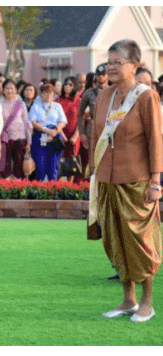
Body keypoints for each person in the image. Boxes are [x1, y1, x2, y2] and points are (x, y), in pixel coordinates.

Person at [90, 39, 162, 323]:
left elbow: (155, 140)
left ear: (135, 65)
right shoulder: (104, 96)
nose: (111, 68)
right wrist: (93, 173)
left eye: (117, 63)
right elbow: (96, 137)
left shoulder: (146, 96)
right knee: (115, 239)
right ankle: (128, 299)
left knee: (140, 242)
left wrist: (155, 182)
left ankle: (147, 301)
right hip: (106, 178)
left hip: (137, 180)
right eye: (109, 63)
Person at [29, 83, 67, 181]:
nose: (48, 95)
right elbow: (33, 122)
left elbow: (63, 121)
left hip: (55, 137)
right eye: (45, 92)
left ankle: (53, 191)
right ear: (41, 94)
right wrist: (46, 130)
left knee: (53, 167)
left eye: (50, 93)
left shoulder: (57, 106)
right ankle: (39, 192)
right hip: (40, 135)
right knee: (40, 167)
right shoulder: (36, 106)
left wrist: (55, 131)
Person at [78, 64, 109, 179]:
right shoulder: (89, 93)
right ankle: (92, 188)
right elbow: (80, 113)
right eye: (98, 75)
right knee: (93, 161)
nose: (101, 77)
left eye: (103, 74)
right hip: (92, 128)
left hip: (108, 128)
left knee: (108, 159)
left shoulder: (114, 91)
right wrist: (82, 133)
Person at [0, 79, 32, 179]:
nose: (9, 90)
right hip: (6, 138)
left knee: (19, 165)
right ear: (3, 90)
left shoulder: (20, 104)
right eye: (7, 88)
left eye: (12, 88)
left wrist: (29, 142)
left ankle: (19, 187)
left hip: (20, 138)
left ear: (16, 90)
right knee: (5, 165)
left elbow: (27, 122)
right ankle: (6, 187)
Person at [55, 76, 81, 182]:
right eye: (65, 84)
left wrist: (75, 136)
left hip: (74, 135)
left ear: (74, 87)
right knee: (59, 163)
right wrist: (61, 135)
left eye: (70, 85)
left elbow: (81, 120)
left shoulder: (78, 100)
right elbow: (55, 120)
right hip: (60, 135)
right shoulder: (57, 101)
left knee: (71, 163)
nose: (67, 87)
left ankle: (70, 188)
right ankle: (57, 189)